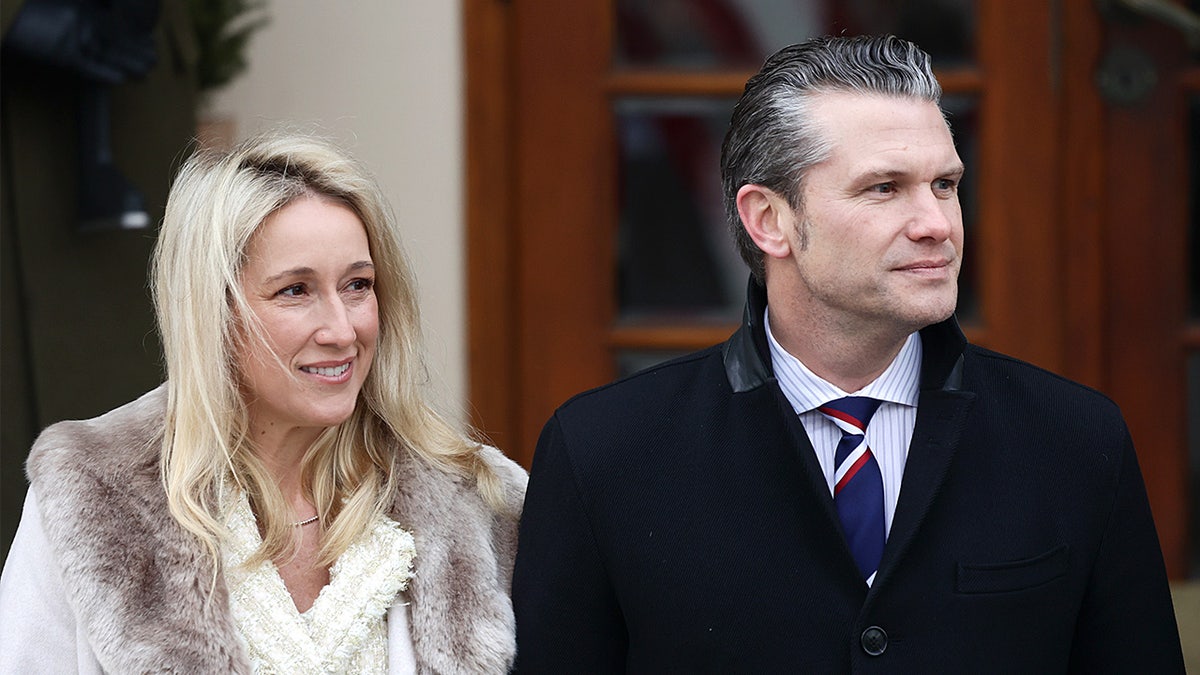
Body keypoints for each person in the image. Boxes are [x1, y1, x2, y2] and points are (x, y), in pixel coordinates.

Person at [512, 35, 1184, 673]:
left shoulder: (1076, 440)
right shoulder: (603, 452)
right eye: (884, 188)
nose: (938, 224)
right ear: (768, 220)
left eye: (945, 184)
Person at [0, 132, 527, 673]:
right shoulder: (89, 496)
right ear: (214, 312)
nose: (342, 330)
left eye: (358, 284)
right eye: (295, 290)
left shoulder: (478, 503)